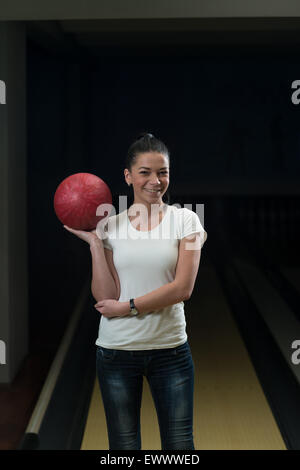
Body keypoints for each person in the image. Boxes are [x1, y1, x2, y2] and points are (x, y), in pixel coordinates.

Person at [64, 133, 207, 450]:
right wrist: (95, 245)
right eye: (145, 172)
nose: (155, 181)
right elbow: (105, 296)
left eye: (163, 172)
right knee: (124, 447)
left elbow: (183, 288)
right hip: (116, 353)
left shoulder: (187, 221)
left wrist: (128, 307)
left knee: (180, 447)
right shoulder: (110, 226)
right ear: (128, 176)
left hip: (170, 351)